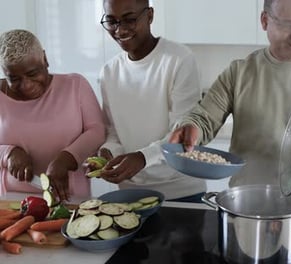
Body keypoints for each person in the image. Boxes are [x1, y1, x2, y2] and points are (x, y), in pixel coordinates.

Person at [169, 0, 291, 209]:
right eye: (288, 25)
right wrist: (190, 127)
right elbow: (202, 118)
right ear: (264, 20)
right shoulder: (239, 73)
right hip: (245, 209)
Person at [96, 0, 206, 202]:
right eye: (112, 21)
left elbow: (183, 135)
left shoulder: (179, 59)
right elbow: (113, 132)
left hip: (182, 191)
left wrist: (142, 158)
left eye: (129, 19)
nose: (119, 30)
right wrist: (106, 153)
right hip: (130, 193)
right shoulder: (108, 73)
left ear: (150, 16)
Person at [0, 29, 105, 201]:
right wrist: (8, 153)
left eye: (32, 73)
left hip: (69, 197)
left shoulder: (75, 85)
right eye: (15, 79)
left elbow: (97, 131)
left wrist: (67, 158)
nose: (26, 86)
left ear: (45, 59)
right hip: (11, 199)